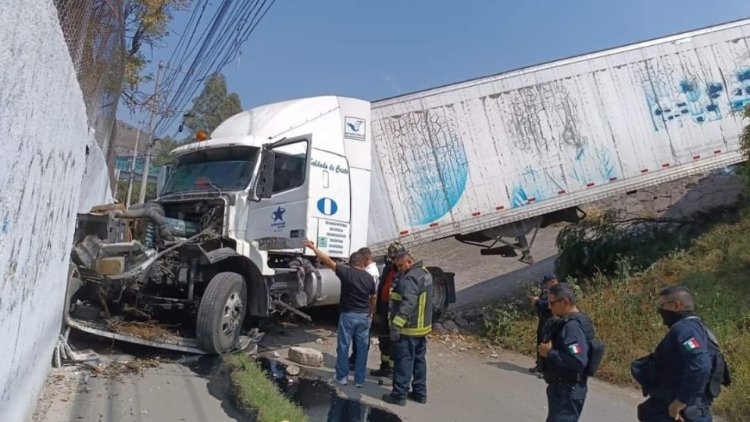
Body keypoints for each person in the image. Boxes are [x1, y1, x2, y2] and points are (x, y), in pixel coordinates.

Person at [634, 285, 715, 422]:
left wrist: (680, 401)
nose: (661, 310)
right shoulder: (699, 329)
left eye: (663, 305)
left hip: (679, 413)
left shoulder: (684, 330)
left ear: (677, 305)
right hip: (691, 410)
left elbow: (701, 366)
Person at [304, 240, 376, 387]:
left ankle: (342, 377)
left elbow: (327, 260)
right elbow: (373, 297)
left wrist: (313, 247)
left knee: (343, 346)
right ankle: (359, 381)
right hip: (364, 317)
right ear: (362, 263)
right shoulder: (369, 278)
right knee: (362, 348)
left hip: (348, 315)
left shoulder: (346, 273)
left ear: (350, 263)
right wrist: (371, 312)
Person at [382, 251, 433, 406]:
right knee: (419, 361)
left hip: (409, 328)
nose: (399, 270)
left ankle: (399, 395)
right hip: (421, 328)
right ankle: (420, 393)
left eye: (400, 266)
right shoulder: (425, 273)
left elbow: (408, 303)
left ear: (409, 263)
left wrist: (396, 325)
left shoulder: (410, 278)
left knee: (403, 361)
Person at [538, 283, 594, 422]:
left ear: (565, 301)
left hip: (567, 391)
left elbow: (578, 360)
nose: (549, 307)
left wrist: (550, 353)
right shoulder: (573, 321)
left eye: (552, 303)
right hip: (564, 389)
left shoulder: (572, 328)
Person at [348, 247, 380, 370]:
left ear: (367, 258)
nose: (360, 263)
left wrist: (370, 311)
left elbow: (370, 294)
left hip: (364, 309)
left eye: (362, 260)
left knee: (361, 338)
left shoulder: (372, 273)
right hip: (362, 309)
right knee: (357, 337)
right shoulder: (368, 271)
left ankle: (358, 362)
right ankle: (355, 358)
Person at [530, 274, 559, 374]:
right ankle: (540, 365)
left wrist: (537, 302)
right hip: (543, 319)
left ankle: (545, 369)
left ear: (552, 281)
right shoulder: (548, 291)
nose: (546, 285)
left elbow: (549, 305)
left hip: (550, 320)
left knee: (546, 343)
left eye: (547, 283)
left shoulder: (557, 291)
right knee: (540, 342)